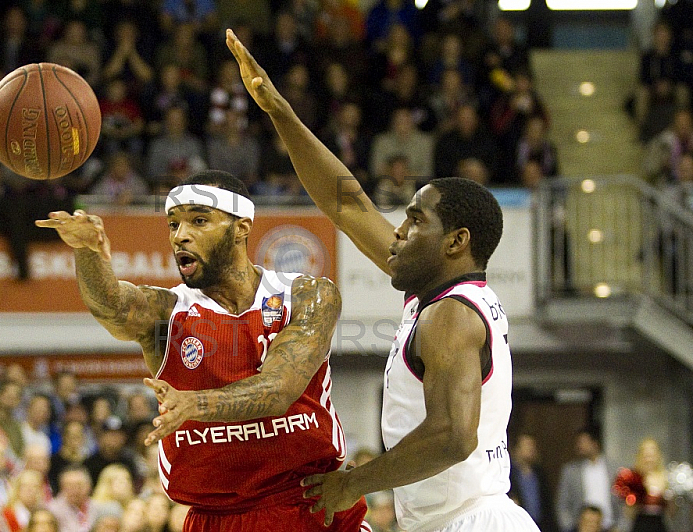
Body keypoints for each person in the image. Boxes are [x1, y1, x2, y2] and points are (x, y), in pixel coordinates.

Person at [225, 28, 539, 531]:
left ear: (456, 242)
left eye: (416, 220)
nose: (399, 230)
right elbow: (347, 205)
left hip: (473, 522)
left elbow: (454, 437)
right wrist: (279, 112)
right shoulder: (437, 296)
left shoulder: (452, 316)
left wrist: (352, 483)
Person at [36, 168, 369, 531]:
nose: (181, 236)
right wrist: (88, 252)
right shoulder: (168, 312)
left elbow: (279, 389)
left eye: (198, 220)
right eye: (173, 224)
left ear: (241, 227)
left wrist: (195, 404)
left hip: (309, 503)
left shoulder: (306, 295)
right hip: (216, 516)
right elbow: (113, 307)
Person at [555, 427, 619, 532]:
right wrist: (569, 527)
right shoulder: (571, 470)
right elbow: (562, 503)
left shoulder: (615, 469)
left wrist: (620, 527)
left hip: (610, 527)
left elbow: (623, 502)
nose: (579, 446)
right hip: (581, 528)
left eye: (583, 442)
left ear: (595, 443)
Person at [612, 438, 672, 532]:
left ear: (658, 456)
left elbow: (671, 513)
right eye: (646, 455)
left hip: (660, 524)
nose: (649, 459)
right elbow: (628, 513)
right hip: (639, 524)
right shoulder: (632, 478)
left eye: (652, 455)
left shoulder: (666, 477)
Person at [509, 434, 557, 532]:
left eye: (532, 446)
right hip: (518, 525)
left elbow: (547, 504)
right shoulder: (509, 474)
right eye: (526, 446)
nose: (530, 449)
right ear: (516, 449)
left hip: (540, 525)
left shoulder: (540, 474)